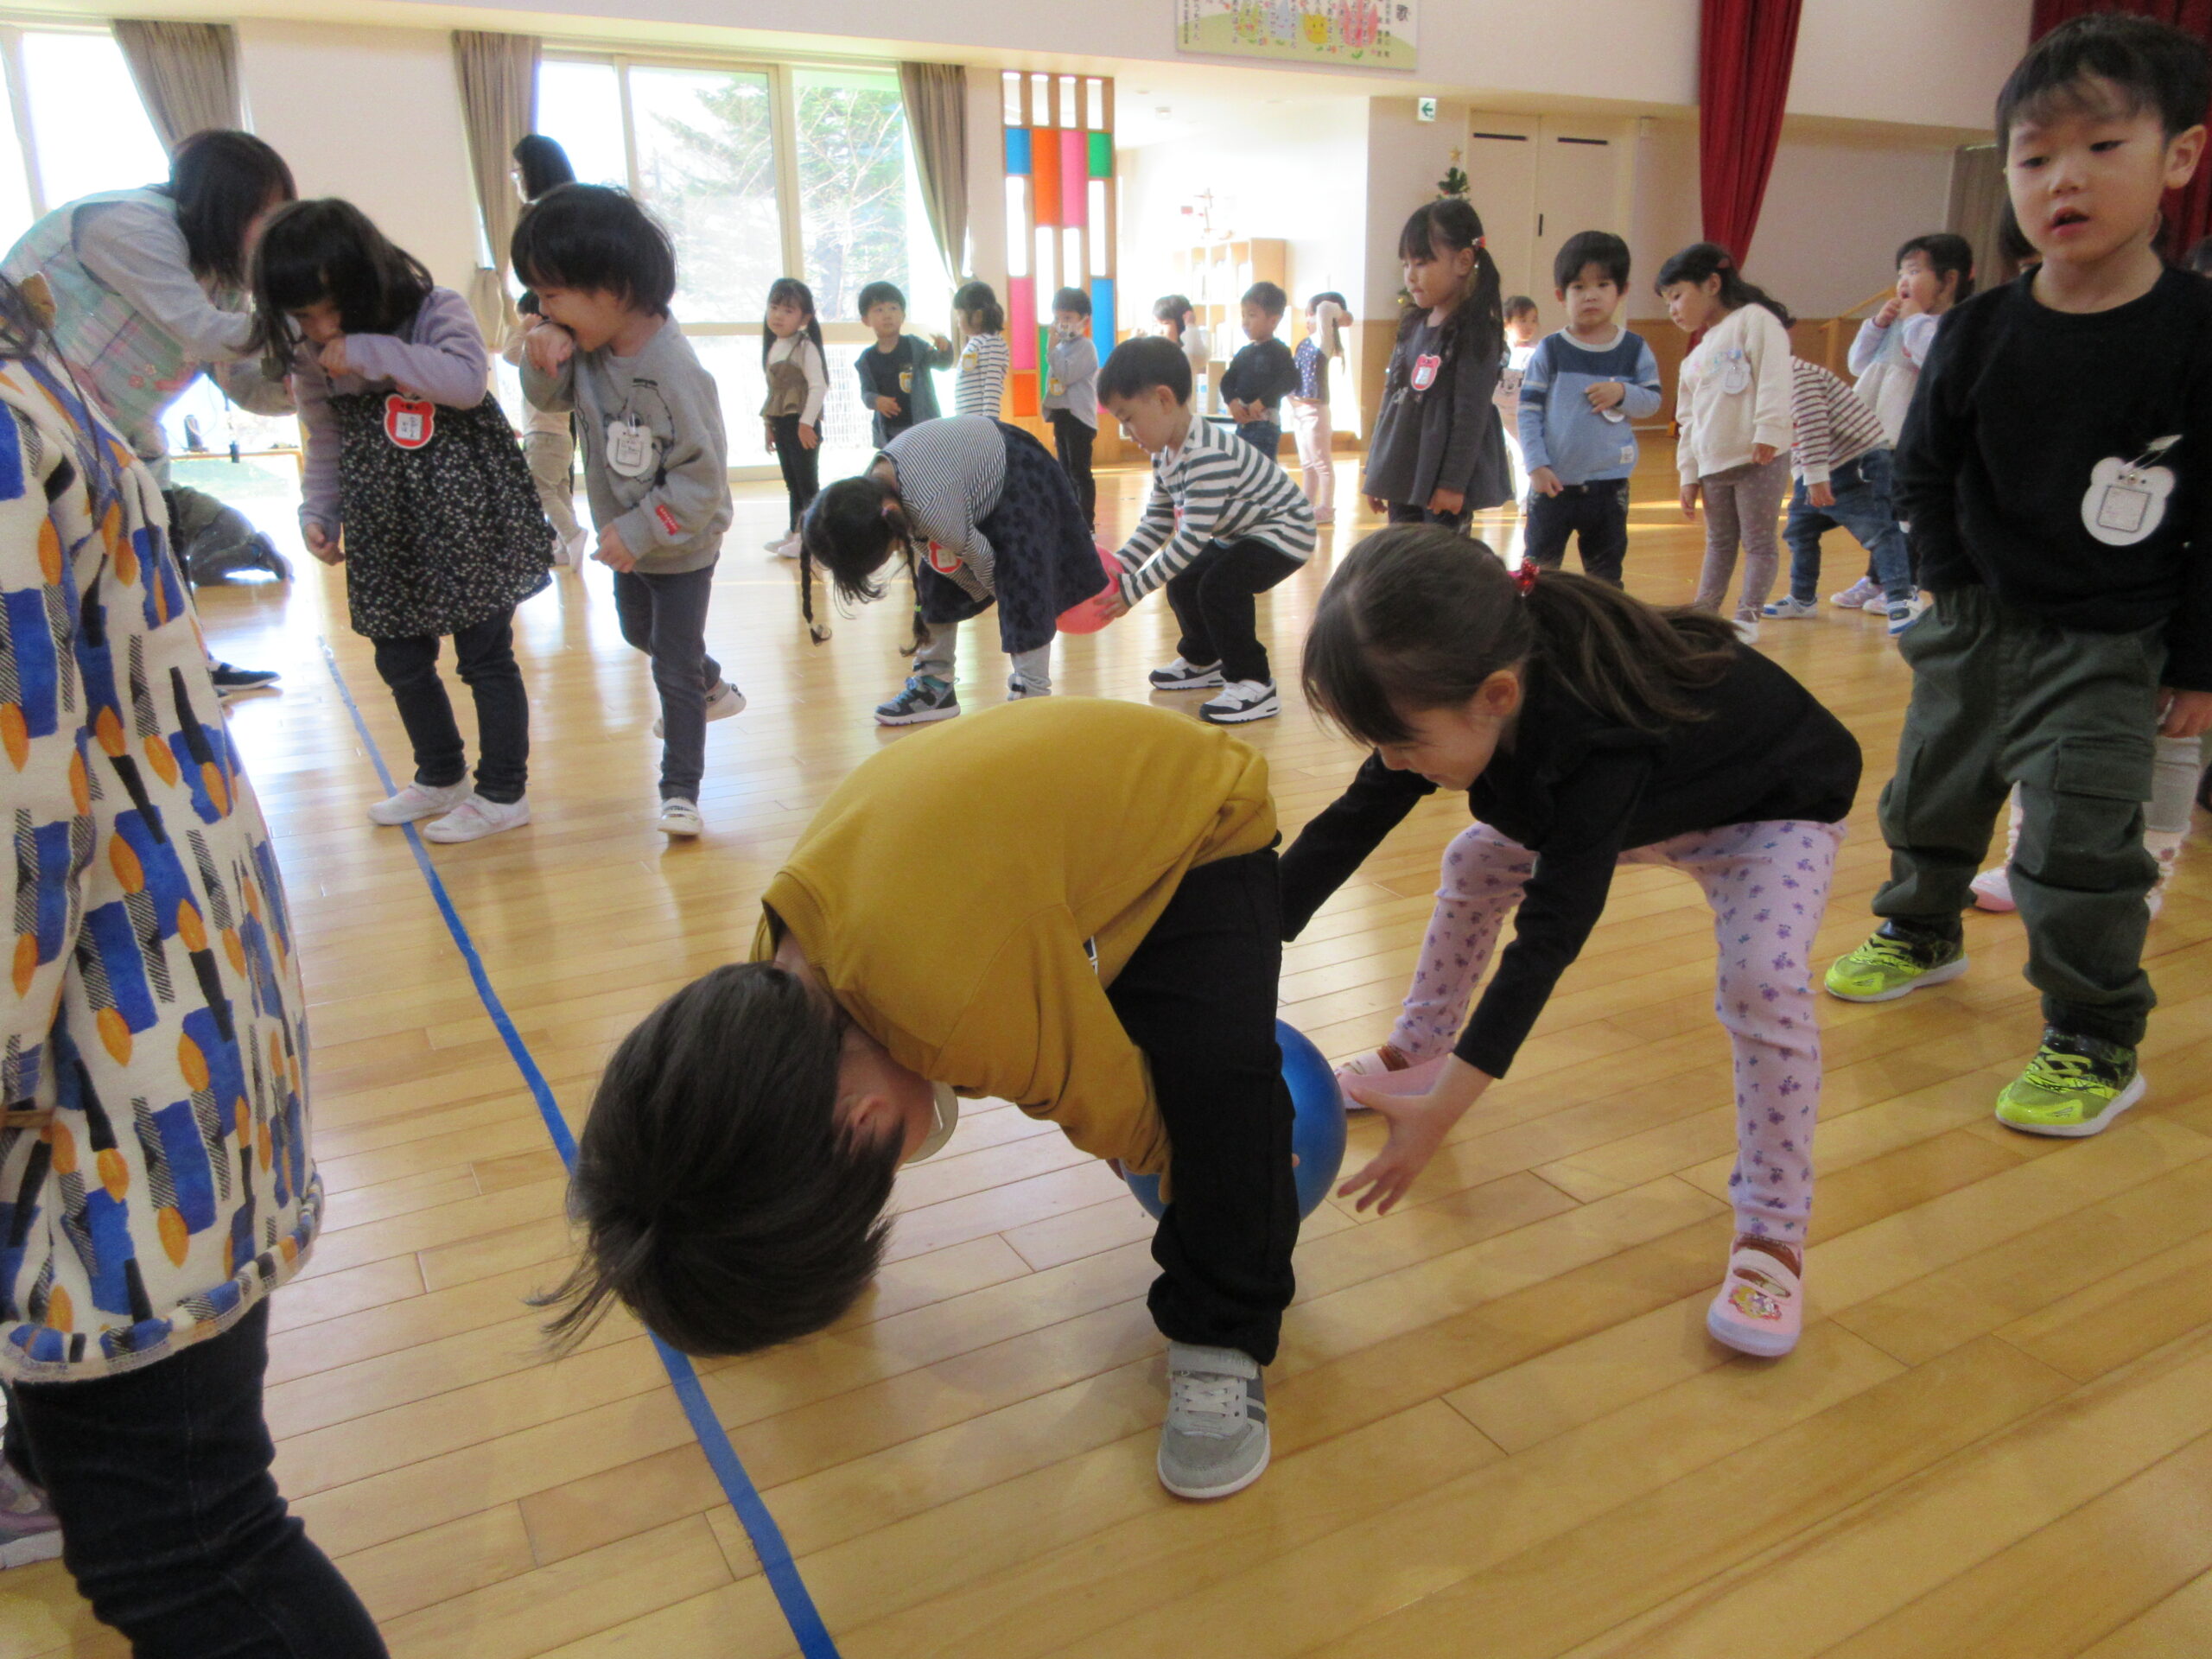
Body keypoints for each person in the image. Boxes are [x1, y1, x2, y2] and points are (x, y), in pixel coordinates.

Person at [538, 698, 1297, 1501]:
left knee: (1217, 1109)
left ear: (863, 1120)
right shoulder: (771, 986)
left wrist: (1233, 1188)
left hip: (1196, 819)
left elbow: (1112, 1104)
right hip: (1045, 836)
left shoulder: (949, 1007)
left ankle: (1222, 1337)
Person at [0, 271, 387, 1652]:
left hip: (103, 1061)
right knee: (184, 1522)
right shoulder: (30, 379)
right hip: (147, 1003)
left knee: (195, 1552)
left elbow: (15, 819)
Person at [1284, 529, 1859, 1358]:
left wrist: (1448, 1108)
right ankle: (1418, 1048)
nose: (1392, 761)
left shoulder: (1594, 734)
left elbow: (1551, 934)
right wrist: (1242, 939)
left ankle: (1774, 1230)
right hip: (1654, 800)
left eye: (1404, 742)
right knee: (1476, 859)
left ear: (1497, 695)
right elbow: (1348, 825)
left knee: (1762, 982)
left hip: (1770, 811)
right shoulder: (1463, 684)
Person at [1824, 12, 2211, 1141]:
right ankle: (1921, 928)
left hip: (2110, 643)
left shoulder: (2195, 333)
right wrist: (1944, 589)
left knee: (2079, 849)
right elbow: (1924, 468)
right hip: (1975, 625)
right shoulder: (1981, 328)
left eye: (2102, 146)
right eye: (2034, 158)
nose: (2062, 180)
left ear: (2179, 156)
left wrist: (2197, 664)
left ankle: (2094, 1036)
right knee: (1928, 796)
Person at [257, 199, 551, 846]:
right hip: (385, 520)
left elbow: (466, 382)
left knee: (485, 656)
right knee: (399, 656)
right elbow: (324, 434)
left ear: (364, 280)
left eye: (327, 309)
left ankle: (504, 792)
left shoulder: (436, 309)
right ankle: (441, 774)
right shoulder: (311, 353)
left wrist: (369, 351)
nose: (317, 328)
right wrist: (319, 509)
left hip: (464, 512)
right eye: (302, 317)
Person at [3, 129, 296, 696]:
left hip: (117, 431)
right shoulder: (127, 224)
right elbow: (202, 332)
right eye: (266, 212)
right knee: (49, 565)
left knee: (158, 545)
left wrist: (297, 383)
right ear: (224, 202)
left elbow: (242, 382)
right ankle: (57, 695)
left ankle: (185, 670)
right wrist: (305, 324)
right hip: (27, 420)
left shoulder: (224, 278)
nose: (273, 230)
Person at [515, 184, 739, 840]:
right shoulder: (590, 348)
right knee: (639, 633)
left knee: (672, 665)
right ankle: (712, 683)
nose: (543, 308)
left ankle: (681, 791)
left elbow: (702, 480)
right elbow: (549, 399)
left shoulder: (675, 371)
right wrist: (542, 351)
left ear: (612, 288)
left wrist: (642, 531)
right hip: (628, 540)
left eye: (552, 295)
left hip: (681, 541)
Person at [799, 414, 1105, 723]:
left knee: (1021, 580)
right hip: (965, 475)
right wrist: (963, 581)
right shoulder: (868, 494)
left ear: (890, 515)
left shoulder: (931, 507)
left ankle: (1033, 699)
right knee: (935, 577)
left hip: (1020, 468)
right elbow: (945, 557)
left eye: (887, 551)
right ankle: (935, 688)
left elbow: (987, 564)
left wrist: (1022, 604)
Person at [1096, 336, 1318, 726]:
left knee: (1221, 586)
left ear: (1163, 399)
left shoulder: (1205, 454)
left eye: (1128, 418)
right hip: (1243, 530)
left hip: (1285, 529)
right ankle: (1204, 659)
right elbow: (1157, 519)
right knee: (1184, 580)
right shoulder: (1165, 453)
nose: (1127, 432)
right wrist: (1119, 566)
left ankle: (1254, 682)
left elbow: (1190, 540)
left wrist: (1133, 590)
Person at [1830, 232, 1976, 610]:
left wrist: (1913, 320)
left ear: (1950, 279)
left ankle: (1906, 584)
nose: (1903, 282)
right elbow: (1858, 364)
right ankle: (1879, 578)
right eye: (1900, 273)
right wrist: (1877, 326)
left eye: (1913, 271)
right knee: (1884, 509)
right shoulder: (1900, 321)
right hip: (1879, 432)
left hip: (1916, 435)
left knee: (1908, 512)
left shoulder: (1953, 324)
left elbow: (1935, 361)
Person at [1660, 242, 1796, 643]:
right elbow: (1688, 421)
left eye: (1677, 296)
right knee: (1719, 543)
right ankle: (1705, 614)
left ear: (1713, 284)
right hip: (1714, 465)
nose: (1672, 310)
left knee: (1759, 543)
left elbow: (1774, 377)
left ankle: (1747, 617)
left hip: (1758, 459)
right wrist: (1689, 474)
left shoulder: (1755, 321)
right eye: (1667, 302)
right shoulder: (1693, 359)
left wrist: (1768, 431)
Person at [1517, 232, 1663, 587]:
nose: (1591, 295)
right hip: (1553, 485)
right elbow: (1529, 410)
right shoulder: (1551, 350)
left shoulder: (1634, 348)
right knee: (1538, 574)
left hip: (1609, 488)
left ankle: (1604, 622)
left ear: (1622, 290)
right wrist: (1536, 465)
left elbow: (1652, 402)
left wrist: (1623, 393)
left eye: (1602, 284)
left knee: (1606, 577)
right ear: (1561, 296)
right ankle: (1534, 620)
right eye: (1578, 287)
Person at [1363, 199, 1514, 532]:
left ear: (1463, 261)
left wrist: (1452, 483)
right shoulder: (1412, 324)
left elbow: (1471, 414)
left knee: (1442, 556)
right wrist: (1375, 469)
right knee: (1402, 550)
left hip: (1443, 479)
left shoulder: (1475, 331)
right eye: (1406, 264)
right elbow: (1390, 399)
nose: (1410, 276)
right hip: (1404, 466)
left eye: (1421, 263)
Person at [1763, 357, 1916, 632]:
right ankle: (1803, 599)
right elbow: (1790, 436)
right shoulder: (1764, 383)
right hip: (1817, 467)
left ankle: (1901, 601)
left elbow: (1813, 427)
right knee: (1799, 531)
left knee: (1879, 532)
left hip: (1856, 460)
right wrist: (1803, 477)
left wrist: (1815, 478)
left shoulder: (1799, 374)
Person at [503, 133, 588, 569]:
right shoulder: (551, 211)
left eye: (518, 171)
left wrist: (543, 323)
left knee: (547, 483)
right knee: (558, 479)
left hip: (552, 419)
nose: (515, 179)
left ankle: (570, 536)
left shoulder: (556, 215)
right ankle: (566, 539)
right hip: (553, 421)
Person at [760, 276, 827, 561]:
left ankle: (810, 539)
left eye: (788, 310)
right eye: (774, 307)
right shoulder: (774, 345)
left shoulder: (805, 347)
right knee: (792, 482)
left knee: (806, 483)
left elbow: (818, 386)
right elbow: (774, 392)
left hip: (802, 424)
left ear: (804, 318)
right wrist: (769, 426)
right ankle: (795, 531)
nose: (778, 315)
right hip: (782, 422)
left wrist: (806, 423)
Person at [855, 280, 951, 448]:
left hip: (923, 429)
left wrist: (945, 349)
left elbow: (942, 364)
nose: (887, 315)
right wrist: (876, 401)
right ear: (865, 320)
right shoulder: (866, 359)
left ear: (903, 316)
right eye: (879, 310)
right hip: (889, 433)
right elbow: (866, 393)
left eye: (893, 308)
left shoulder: (915, 346)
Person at [1218, 281, 1300, 458]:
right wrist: (1232, 402)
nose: (1245, 322)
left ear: (1273, 320)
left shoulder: (1279, 351)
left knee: (1263, 467)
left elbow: (1289, 380)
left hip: (1265, 425)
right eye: (1243, 315)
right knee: (1242, 465)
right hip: (1243, 424)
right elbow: (1226, 381)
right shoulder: (1244, 353)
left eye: (1252, 315)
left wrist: (1263, 401)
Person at [1042, 285, 1100, 528]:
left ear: (1084, 320)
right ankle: (1069, 521)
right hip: (1063, 416)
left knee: (1079, 472)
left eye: (1067, 317)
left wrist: (1050, 350)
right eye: (1058, 318)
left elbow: (1065, 375)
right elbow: (1053, 385)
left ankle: (1086, 523)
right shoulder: (1061, 348)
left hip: (1079, 418)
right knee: (1064, 472)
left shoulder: (1086, 347)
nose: (1062, 323)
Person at [1290, 291, 1346, 524]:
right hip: (1298, 410)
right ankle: (1308, 505)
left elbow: (1325, 308)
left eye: (1310, 315)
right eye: (1306, 315)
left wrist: (1342, 315)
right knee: (1307, 463)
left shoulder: (1323, 342)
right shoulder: (1304, 343)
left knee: (1321, 462)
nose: (1308, 319)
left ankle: (1326, 508)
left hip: (1315, 411)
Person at [1496, 293, 1541, 502]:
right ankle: (1491, 497)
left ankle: (1525, 500)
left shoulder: (1536, 353)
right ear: (1507, 323)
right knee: (1494, 454)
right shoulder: (1499, 352)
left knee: (1523, 455)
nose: (1529, 326)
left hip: (1521, 414)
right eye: (1523, 320)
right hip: (1496, 411)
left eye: (1533, 320)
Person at [952, 280, 1009, 417]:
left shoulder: (991, 342)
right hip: (967, 418)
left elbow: (992, 386)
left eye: (960, 313)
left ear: (978, 316)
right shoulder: (976, 342)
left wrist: (989, 421)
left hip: (979, 421)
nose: (957, 319)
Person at [1154, 293, 1211, 410]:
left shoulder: (1186, 350)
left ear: (1181, 324)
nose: (1159, 330)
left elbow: (1196, 355)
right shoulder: (1154, 352)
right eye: (1155, 324)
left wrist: (1190, 326)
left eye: (1165, 323)